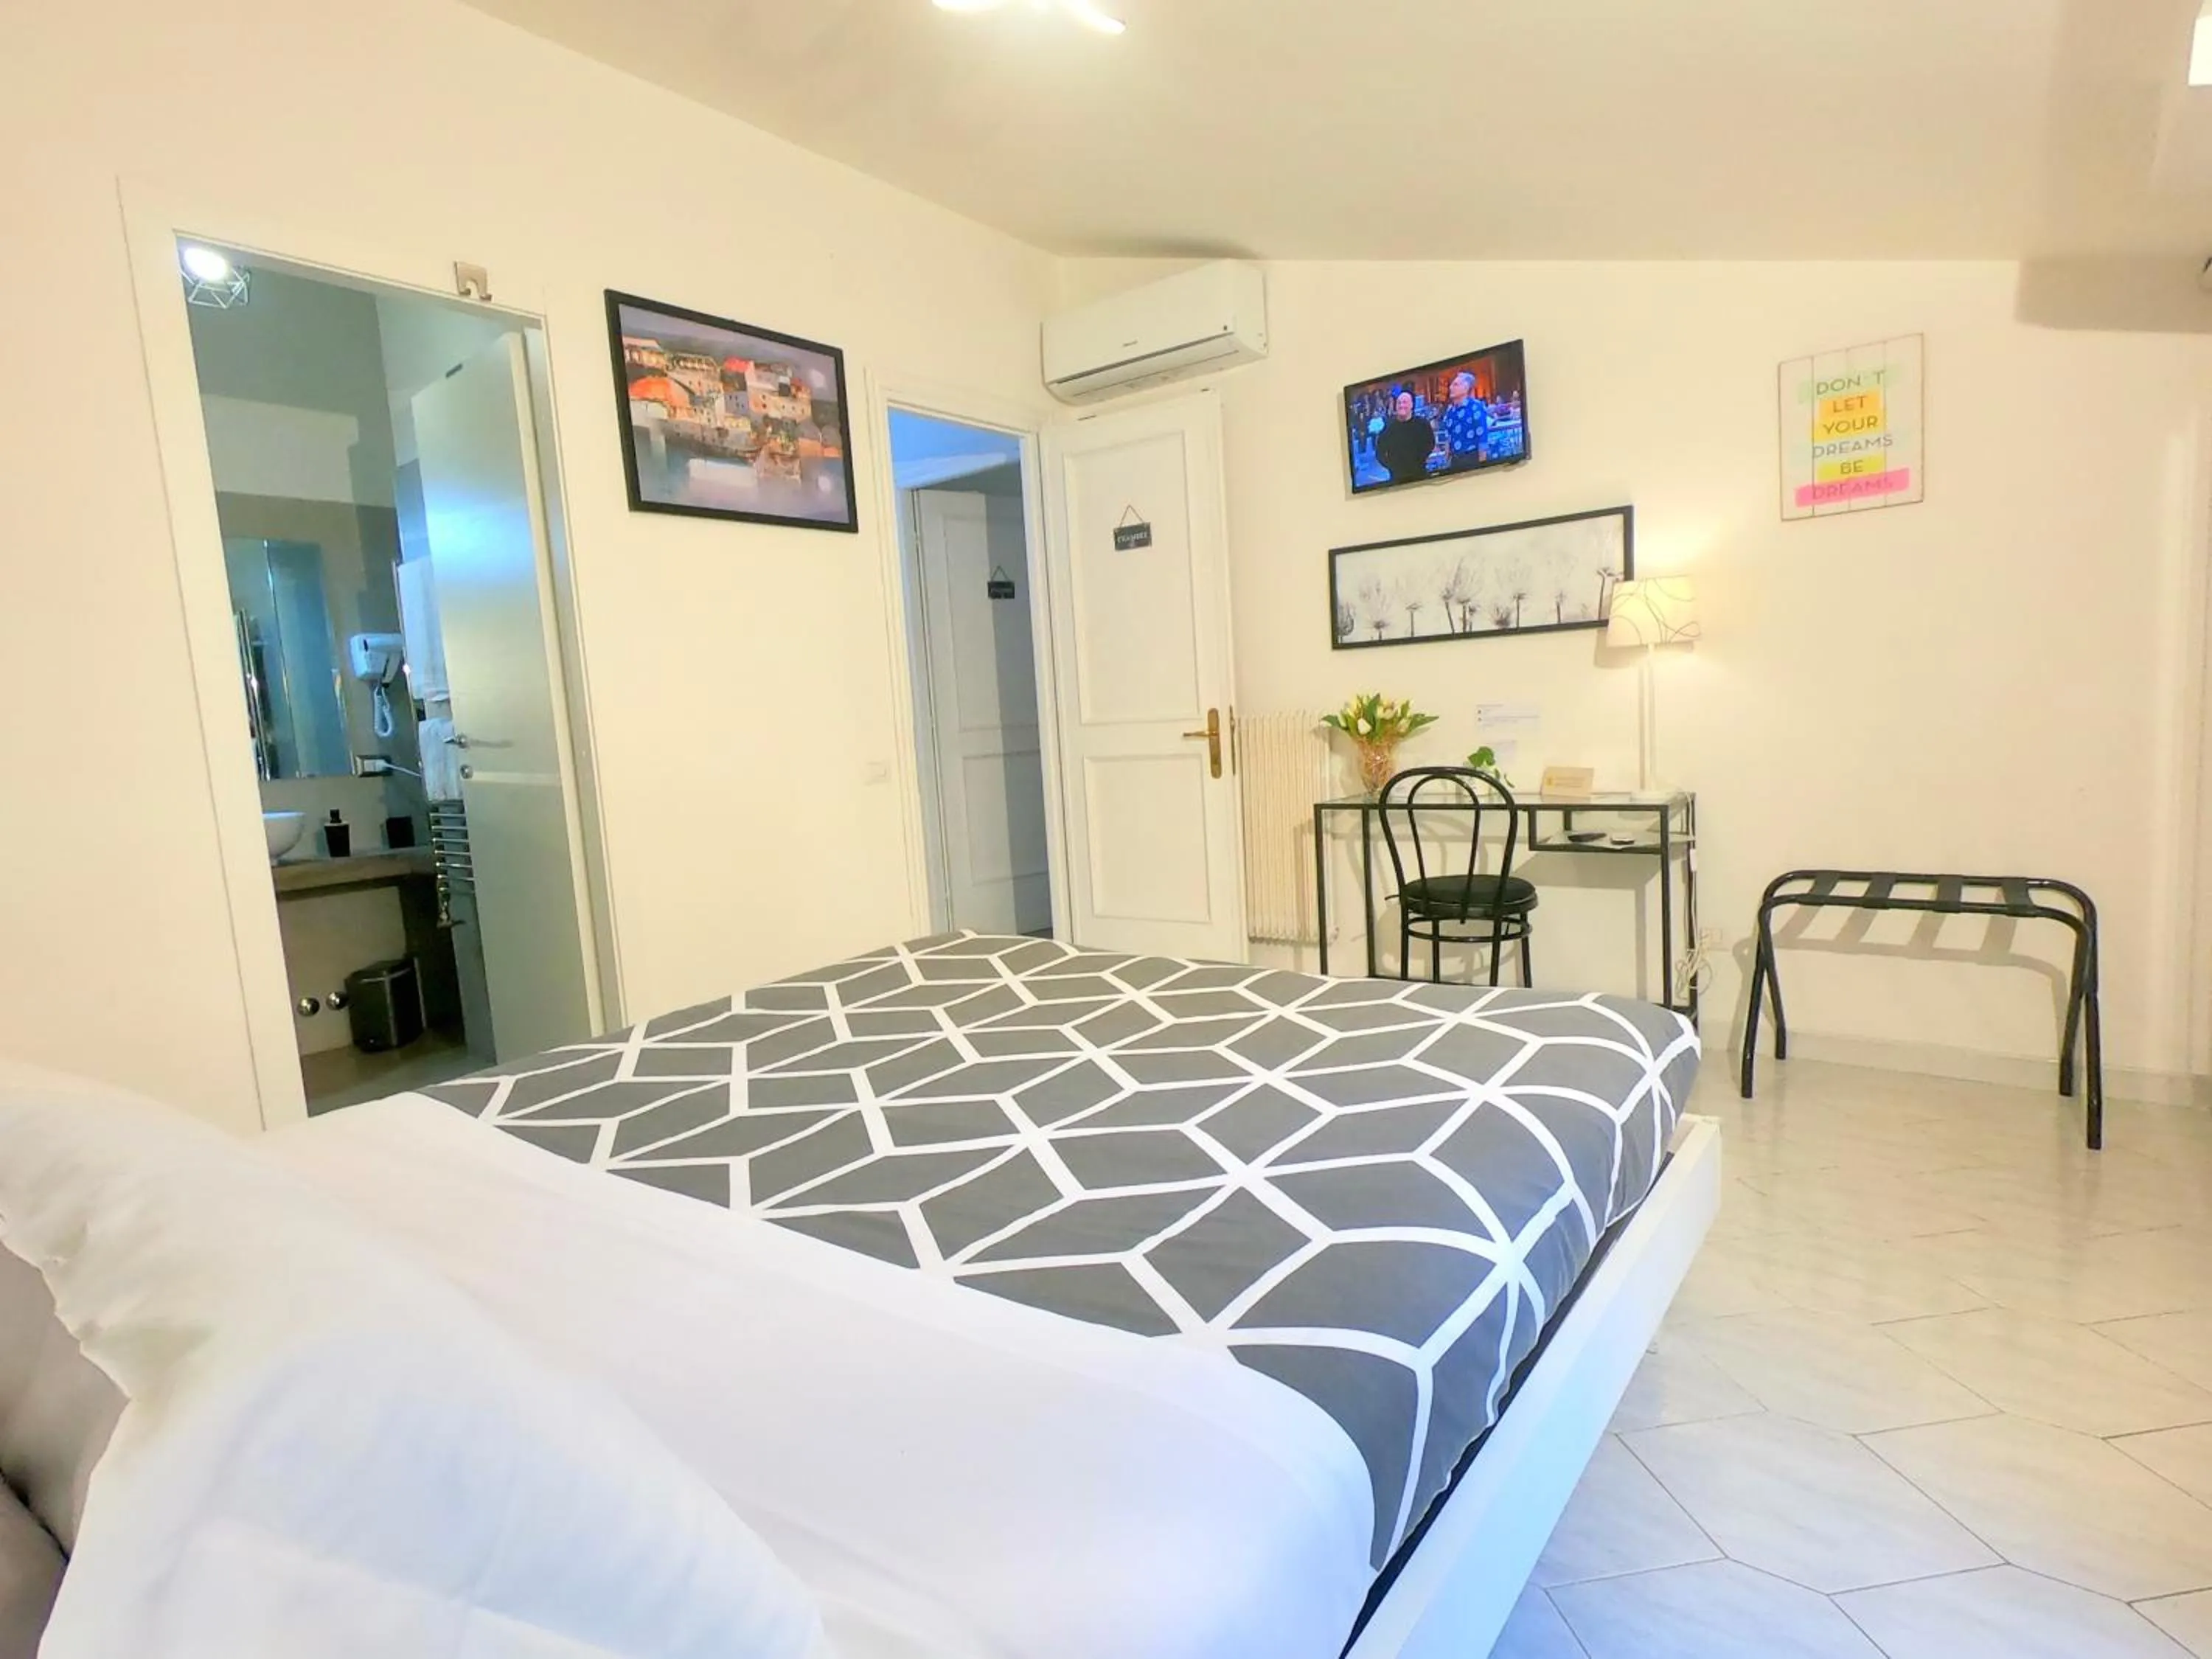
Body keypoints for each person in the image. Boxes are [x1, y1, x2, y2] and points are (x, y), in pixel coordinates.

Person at [1375, 389, 1438, 485]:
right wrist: (1392, 466)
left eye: (1405, 402)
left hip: (1420, 475)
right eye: (1399, 403)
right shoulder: (1388, 427)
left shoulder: (1422, 424)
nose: (1401, 405)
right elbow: (1380, 453)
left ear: (1412, 405)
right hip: (1397, 479)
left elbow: (1430, 444)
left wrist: (1419, 460)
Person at [1440, 370, 1490, 467]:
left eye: (1456, 385)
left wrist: (1482, 466)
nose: (1451, 388)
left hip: (1472, 458)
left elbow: (1482, 438)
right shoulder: (1450, 410)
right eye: (1451, 385)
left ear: (1466, 388)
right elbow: (1448, 438)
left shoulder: (1476, 407)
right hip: (1455, 461)